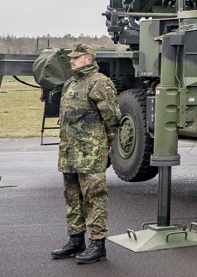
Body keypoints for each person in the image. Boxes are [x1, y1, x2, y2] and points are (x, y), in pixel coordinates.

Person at [50, 44, 120, 264]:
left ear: (88, 59)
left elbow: (112, 119)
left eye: (76, 58)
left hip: (90, 152)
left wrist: (103, 145)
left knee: (94, 197)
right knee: (72, 197)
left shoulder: (100, 82)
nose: (71, 61)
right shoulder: (70, 83)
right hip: (69, 152)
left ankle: (97, 244)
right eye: (71, 58)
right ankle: (75, 239)